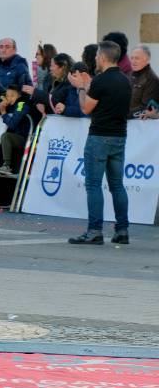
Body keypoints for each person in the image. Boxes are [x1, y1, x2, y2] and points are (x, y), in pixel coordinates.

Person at [68, 41, 132, 245]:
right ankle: (122, 230)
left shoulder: (101, 80)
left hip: (99, 136)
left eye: (96, 56)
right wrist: (88, 86)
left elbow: (86, 109)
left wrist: (80, 88)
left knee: (94, 185)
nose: (95, 59)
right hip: (119, 136)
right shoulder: (125, 80)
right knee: (117, 185)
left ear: (103, 57)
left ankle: (94, 230)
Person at [0, 84, 30, 176]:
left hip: (24, 138)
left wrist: (3, 113)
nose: (9, 98)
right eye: (7, 96)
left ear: (19, 95)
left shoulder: (21, 104)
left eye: (12, 95)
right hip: (14, 137)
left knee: (5, 136)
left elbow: (13, 124)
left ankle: (7, 166)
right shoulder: (9, 104)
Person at [127, 45, 159, 116]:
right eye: (131, 58)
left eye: (137, 58)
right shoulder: (130, 74)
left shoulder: (152, 79)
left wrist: (122, 115)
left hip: (139, 122)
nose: (133, 61)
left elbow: (146, 107)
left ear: (147, 60)